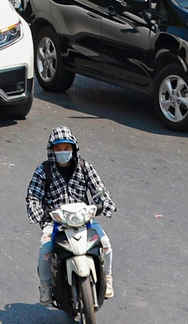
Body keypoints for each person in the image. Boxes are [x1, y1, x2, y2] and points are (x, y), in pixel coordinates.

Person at [26, 125, 117, 305]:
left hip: (84, 219)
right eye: (58, 149)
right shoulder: (44, 171)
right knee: (45, 250)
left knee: (105, 244)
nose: (63, 152)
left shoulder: (85, 167)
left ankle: (107, 278)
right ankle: (45, 287)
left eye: (66, 148)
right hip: (55, 221)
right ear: (51, 151)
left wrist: (104, 204)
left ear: (73, 148)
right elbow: (33, 196)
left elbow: (99, 189)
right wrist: (39, 212)